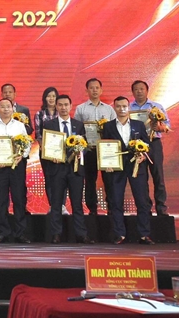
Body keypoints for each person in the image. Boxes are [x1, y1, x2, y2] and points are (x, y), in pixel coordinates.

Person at [102, 96, 153, 245]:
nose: (122, 109)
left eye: (124, 106)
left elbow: (147, 145)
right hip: (117, 168)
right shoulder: (108, 126)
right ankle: (119, 234)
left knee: (142, 201)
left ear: (129, 107)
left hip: (137, 167)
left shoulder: (139, 125)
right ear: (114, 108)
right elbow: (105, 147)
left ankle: (144, 234)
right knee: (116, 200)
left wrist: (143, 155)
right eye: (118, 106)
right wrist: (106, 164)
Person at [43, 95, 93, 244]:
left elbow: (85, 145)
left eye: (66, 105)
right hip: (56, 168)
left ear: (71, 106)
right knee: (56, 203)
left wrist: (80, 152)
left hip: (75, 169)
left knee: (77, 203)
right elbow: (46, 146)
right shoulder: (49, 125)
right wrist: (50, 156)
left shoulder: (79, 124)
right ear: (56, 107)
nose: (63, 107)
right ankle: (56, 234)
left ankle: (81, 234)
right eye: (60, 105)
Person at [0, 98, 30, 244]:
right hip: (0, 167)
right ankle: (3, 232)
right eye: (2, 107)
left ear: (13, 109)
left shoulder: (19, 125)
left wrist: (21, 155)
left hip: (17, 166)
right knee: (2, 199)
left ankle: (20, 233)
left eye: (8, 106)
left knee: (19, 198)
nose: (5, 109)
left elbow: (27, 144)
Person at [73, 78, 115, 216]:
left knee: (109, 180)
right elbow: (76, 130)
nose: (94, 90)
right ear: (87, 90)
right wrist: (83, 145)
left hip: (106, 151)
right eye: (91, 88)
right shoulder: (81, 109)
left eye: (97, 87)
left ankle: (111, 208)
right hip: (89, 150)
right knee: (90, 180)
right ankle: (92, 209)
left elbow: (115, 129)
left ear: (101, 90)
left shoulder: (109, 109)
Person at [130, 80, 170, 216]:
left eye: (142, 89)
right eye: (136, 89)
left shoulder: (156, 107)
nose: (139, 91)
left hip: (154, 143)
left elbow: (167, 126)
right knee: (141, 178)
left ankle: (161, 208)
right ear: (132, 92)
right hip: (137, 145)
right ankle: (145, 208)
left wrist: (159, 127)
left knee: (158, 175)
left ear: (147, 90)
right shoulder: (129, 108)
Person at [34, 87, 64, 212]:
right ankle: (52, 205)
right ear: (44, 98)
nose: (51, 98)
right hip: (45, 152)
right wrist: (46, 150)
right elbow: (38, 134)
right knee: (49, 177)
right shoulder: (39, 114)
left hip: (61, 152)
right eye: (48, 96)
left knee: (62, 178)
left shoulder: (62, 113)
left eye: (53, 96)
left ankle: (62, 205)